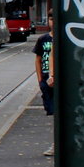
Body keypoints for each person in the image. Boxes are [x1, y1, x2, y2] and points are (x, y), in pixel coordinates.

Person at [35, 11, 55, 155]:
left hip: (54, 80)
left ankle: (56, 144)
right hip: (46, 80)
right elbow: (38, 59)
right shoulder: (43, 39)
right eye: (50, 19)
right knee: (53, 112)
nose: (52, 22)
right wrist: (40, 80)